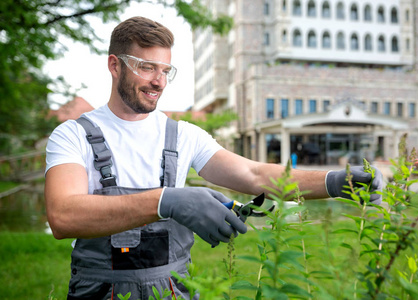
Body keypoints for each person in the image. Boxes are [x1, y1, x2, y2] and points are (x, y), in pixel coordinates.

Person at [44, 16, 383, 300]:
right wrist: (168, 201)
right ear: (114, 65)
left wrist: (336, 181)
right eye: (147, 67)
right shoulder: (73, 135)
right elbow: (63, 215)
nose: (158, 82)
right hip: (98, 291)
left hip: (174, 290)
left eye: (166, 70)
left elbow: (253, 174)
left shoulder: (183, 135)